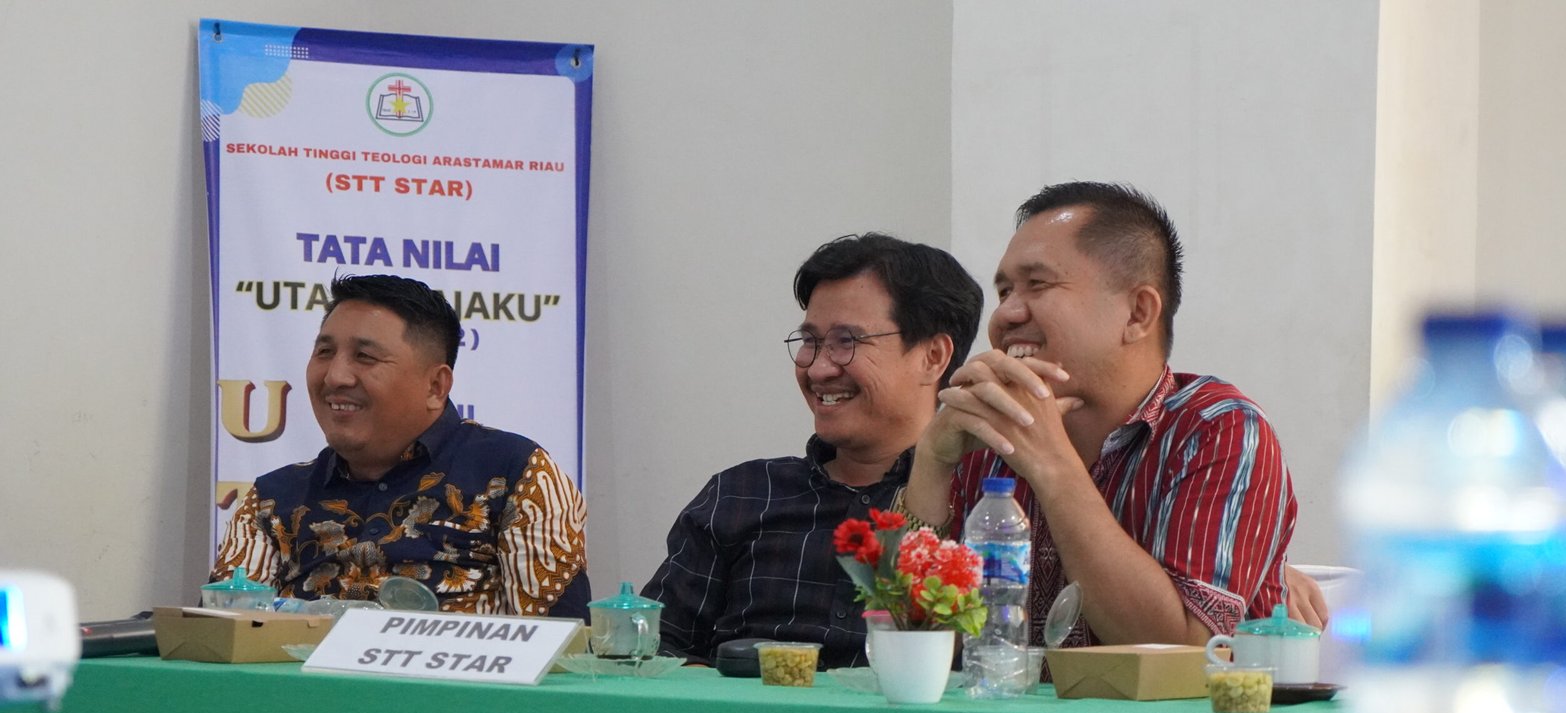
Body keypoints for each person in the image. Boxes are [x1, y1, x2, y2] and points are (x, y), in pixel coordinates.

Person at [903, 182, 1299, 647]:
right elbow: (911, 641)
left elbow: (1181, 652)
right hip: (1005, 699)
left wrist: (1052, 464)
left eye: (1038, 284)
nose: (1005, 314)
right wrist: (931, 462)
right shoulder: (990, 434)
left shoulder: (1218, 429)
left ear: (1137, 313)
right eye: (1005, 290)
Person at [645, 234, 984, 668]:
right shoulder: (741, 494)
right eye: (810, 341)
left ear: (933, 357)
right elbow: (650, 649)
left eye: (847, 341)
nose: (819, 369)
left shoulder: (985, 505)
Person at [210, 274, 590, 617]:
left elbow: (559, 653)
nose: (335, 376)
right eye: (324, 352)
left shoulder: (515, 475)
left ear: (435, 386)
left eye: (365, 357)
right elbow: (223, 640)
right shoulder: (271, 500)